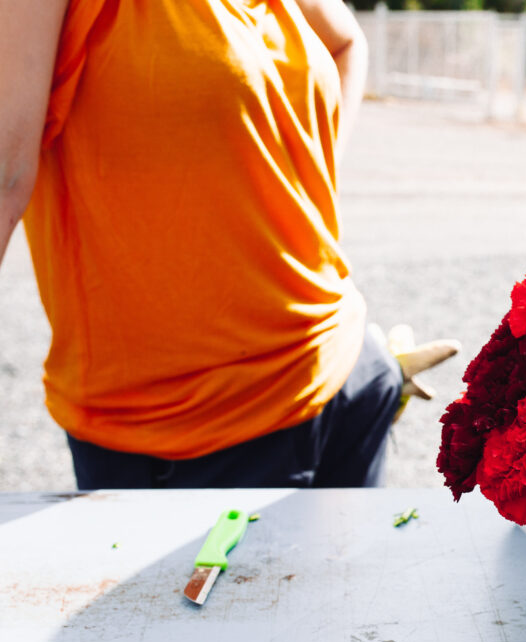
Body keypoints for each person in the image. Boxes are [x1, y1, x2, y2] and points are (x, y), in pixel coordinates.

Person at [0, 0, 411, 488]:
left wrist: (304, 194)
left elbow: (345, 43)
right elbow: (6, 176)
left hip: (347, 374)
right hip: (188, 431)